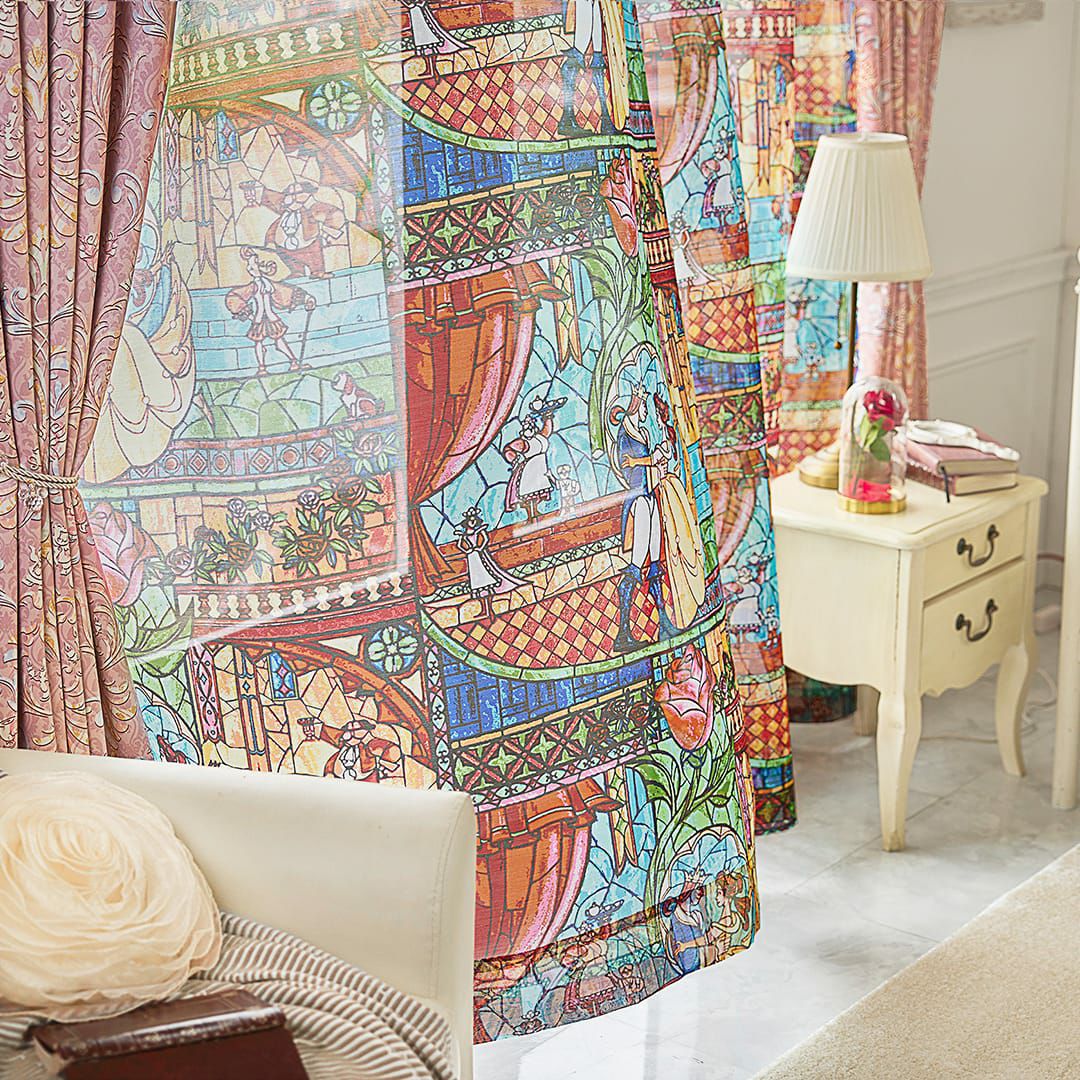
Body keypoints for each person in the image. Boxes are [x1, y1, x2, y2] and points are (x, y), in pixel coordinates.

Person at [612, 385, 678, 650]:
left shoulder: (643, 433)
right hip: (638, 500)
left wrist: (656, 460)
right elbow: (627, 464)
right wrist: (651, 460)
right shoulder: (625, 435)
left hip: (650, 496)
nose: (644, 412)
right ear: (633, 406)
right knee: (636, 563)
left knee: (654, 563)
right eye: (641, 406)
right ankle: (623, 633)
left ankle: (663, 621)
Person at [225, 247, 315, 375]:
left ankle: (294, 362)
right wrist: (249, 315)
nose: (249, 268)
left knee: (279, 341)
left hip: (271, 318)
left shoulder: (268, 284)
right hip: (259, 319)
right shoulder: (253, 286)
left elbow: (286, 292)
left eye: (252, 265)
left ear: (259, 267)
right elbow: (235, 297)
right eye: (249, 266)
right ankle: (262, 368)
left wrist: (306, 298)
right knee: (259, 344)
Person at [259, 179, 346, 280]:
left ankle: (317, 271)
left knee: (314, 256)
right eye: (290, 194)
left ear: (308, 193)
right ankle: (297, 272)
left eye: (297, 193)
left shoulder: (311, 209)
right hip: (284, 245)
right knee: (289, 259)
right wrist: (270, 240)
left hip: (307, 244)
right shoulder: (285, 213)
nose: (293, 197)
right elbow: (274, 226)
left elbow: (331, 214)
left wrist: (329, 231)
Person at [455, 505, 526, 622]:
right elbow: (459, 545)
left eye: (474, 520)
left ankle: (490, 609)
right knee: (477, 583)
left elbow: (486, 539)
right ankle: (484, 609)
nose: (472, 523)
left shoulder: (479, 531)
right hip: (472, 558)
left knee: (486, 579)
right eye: (470, 521)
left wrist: (479, 548)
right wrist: (468, 551)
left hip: (479, 555)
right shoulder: (464, 534)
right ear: (466, 523)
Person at [404, 0, 465, 80]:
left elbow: (420, 2)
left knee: (429, 40)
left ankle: (433, 68)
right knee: (422, 44)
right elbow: (409, 4)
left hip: (422, 14)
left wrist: (415, 3)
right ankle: (429, 68)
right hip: (414, 14)